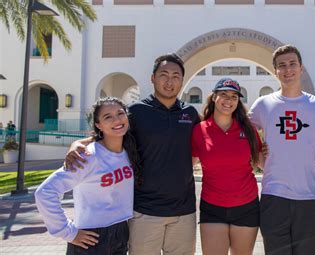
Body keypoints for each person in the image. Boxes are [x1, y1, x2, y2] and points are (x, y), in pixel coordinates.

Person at [65, 53, 200, 255]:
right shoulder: (137, 111)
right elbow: (111, 133)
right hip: (144, 210)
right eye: (164, 75)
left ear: (182, 80)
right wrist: (77, 143)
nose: (169, 81)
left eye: (176, 76)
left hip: (184, 211)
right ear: (153, 78)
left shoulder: (190, 114)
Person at [35, 97, 139, 255]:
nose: (117, 119)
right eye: (108, 117)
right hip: (92, 238)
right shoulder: (88, 156)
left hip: (121, 231)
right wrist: (68, 232)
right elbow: (45, 192)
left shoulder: (128, 151)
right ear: (98, 125)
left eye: (120, 113)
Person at [248, 44, 315, 255]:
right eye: (282, 65)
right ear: (275, 71)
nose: (287, 69)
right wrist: (257, 155)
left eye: (292, 64)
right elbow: (241, 130)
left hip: (308, 196)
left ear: (301, 68)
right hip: (274, 196)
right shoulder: (263, 104)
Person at [192, 78, 262, 255]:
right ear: (214, 97)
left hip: (246, 205)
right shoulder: (199, 130)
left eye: (234, 97)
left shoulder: (248, 129)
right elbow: (186, 166)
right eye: (223, 94)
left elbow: (263, 162)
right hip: (212, 206)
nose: (228, 100)